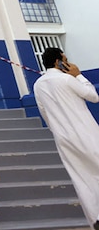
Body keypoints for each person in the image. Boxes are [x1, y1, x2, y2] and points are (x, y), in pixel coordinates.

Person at [33, 47, 99, 230]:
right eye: (65, 58)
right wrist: (79, 75)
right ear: (58, 61)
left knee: (82, 179)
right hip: (86, 133)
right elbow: (93, 97)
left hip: (63, 139)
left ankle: (95, 219)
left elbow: (44, 114)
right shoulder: (67, 79)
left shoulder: (38, 85)